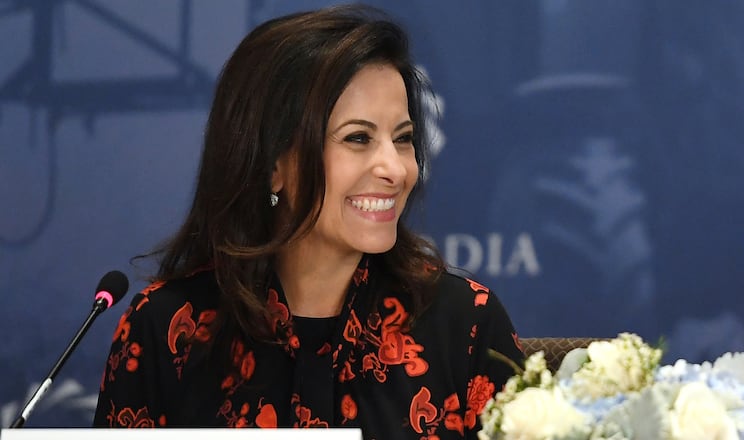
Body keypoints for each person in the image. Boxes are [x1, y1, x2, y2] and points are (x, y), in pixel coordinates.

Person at [93, 5, 525, 438]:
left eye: (404, 139)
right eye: (358, 138)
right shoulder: (170, 329)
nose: (396, 169)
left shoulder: (465, 322)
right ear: (272, 163)